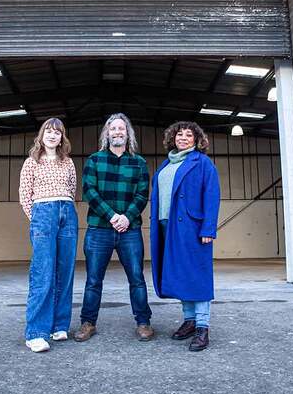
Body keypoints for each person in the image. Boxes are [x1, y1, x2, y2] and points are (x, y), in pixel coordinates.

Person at [74, 113, 154, 342]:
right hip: (99, 229)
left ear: (128, 133)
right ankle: (88, 323)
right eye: (113, 129)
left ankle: (143, 322)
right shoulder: (95, 160)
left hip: (130, 230)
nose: (118, 132)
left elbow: (142, 195)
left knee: (137, 278)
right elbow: (90, 192)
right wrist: (112, 217)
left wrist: (127, 217)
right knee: (93, 280)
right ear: (106, 134)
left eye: (122, 128)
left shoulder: (138, 163)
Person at [150, 121, 220, 351]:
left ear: (197, 139)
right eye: (179, 134)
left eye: (189, 135)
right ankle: (189, 320)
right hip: (165, 226)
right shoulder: (166, 164)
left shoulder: (202, 163)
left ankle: (202, 327)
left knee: (196, 275)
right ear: (172, 138)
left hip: (191, 227)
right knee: (181, 275)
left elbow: (211, 195)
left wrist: (208, 228)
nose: (183, 138)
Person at [18, 118, 78, 353]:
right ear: (41, 135)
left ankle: (59, 325)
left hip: (67, 212)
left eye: (57, 132)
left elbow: (72, 189)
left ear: (62, 137)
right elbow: (25, 195)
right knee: (43, 271)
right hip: (43, 212)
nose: (53, 135)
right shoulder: (31, 162)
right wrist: (38, 219)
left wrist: (63, 209)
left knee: (65, 270)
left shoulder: (68, 162)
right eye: (49, 131)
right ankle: (36, 333)